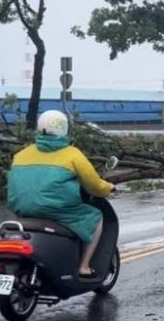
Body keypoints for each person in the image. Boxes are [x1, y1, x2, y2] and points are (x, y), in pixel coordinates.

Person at [7, 110, 114, 278]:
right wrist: (108, 188)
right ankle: (84, 267)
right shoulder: (72, 154)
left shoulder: (21, 154)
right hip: (57, 210)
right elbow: (94, 186)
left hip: (22, 208)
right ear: (64, 129)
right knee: (96, 217)